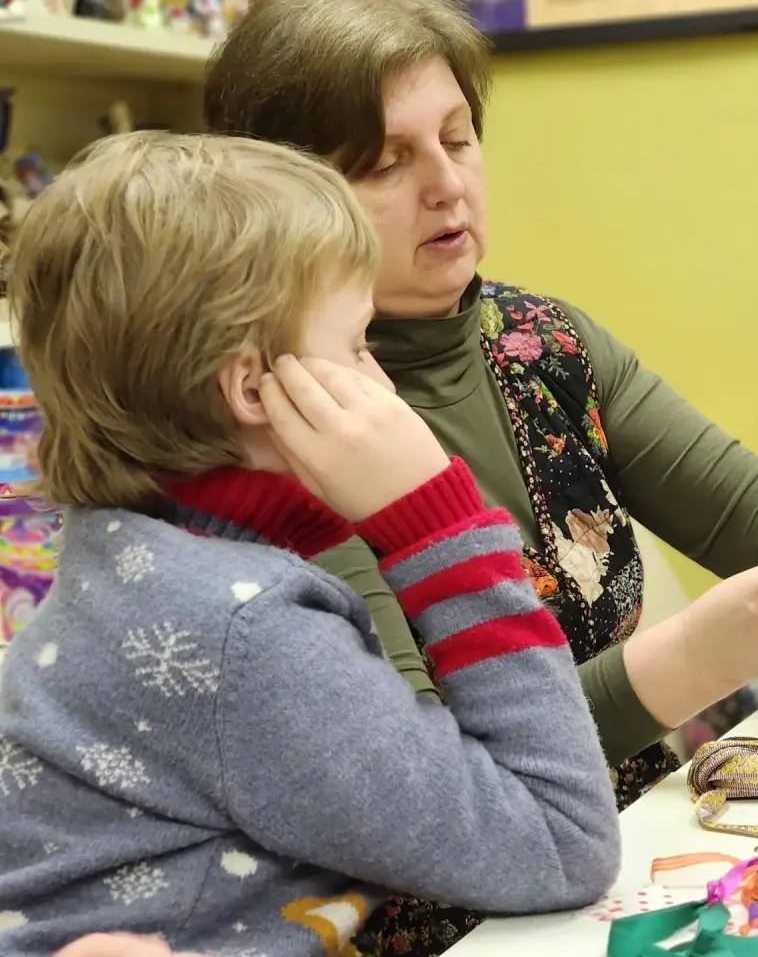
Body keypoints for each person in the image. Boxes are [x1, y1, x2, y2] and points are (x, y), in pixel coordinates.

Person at [205, 0, 758, 949]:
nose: (447, 186)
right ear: (285, 196)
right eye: (386, 161)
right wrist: (703, 654)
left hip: (617, 857)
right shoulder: (285, 433)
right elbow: (432, 786)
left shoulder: (543, 344)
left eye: (458, 138)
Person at [0, 132, 621, 956]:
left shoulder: (131, 557)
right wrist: (439, 530)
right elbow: (563, 840)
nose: (385, 382)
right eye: (360, 344)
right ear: (256, 389)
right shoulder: (243, 633)